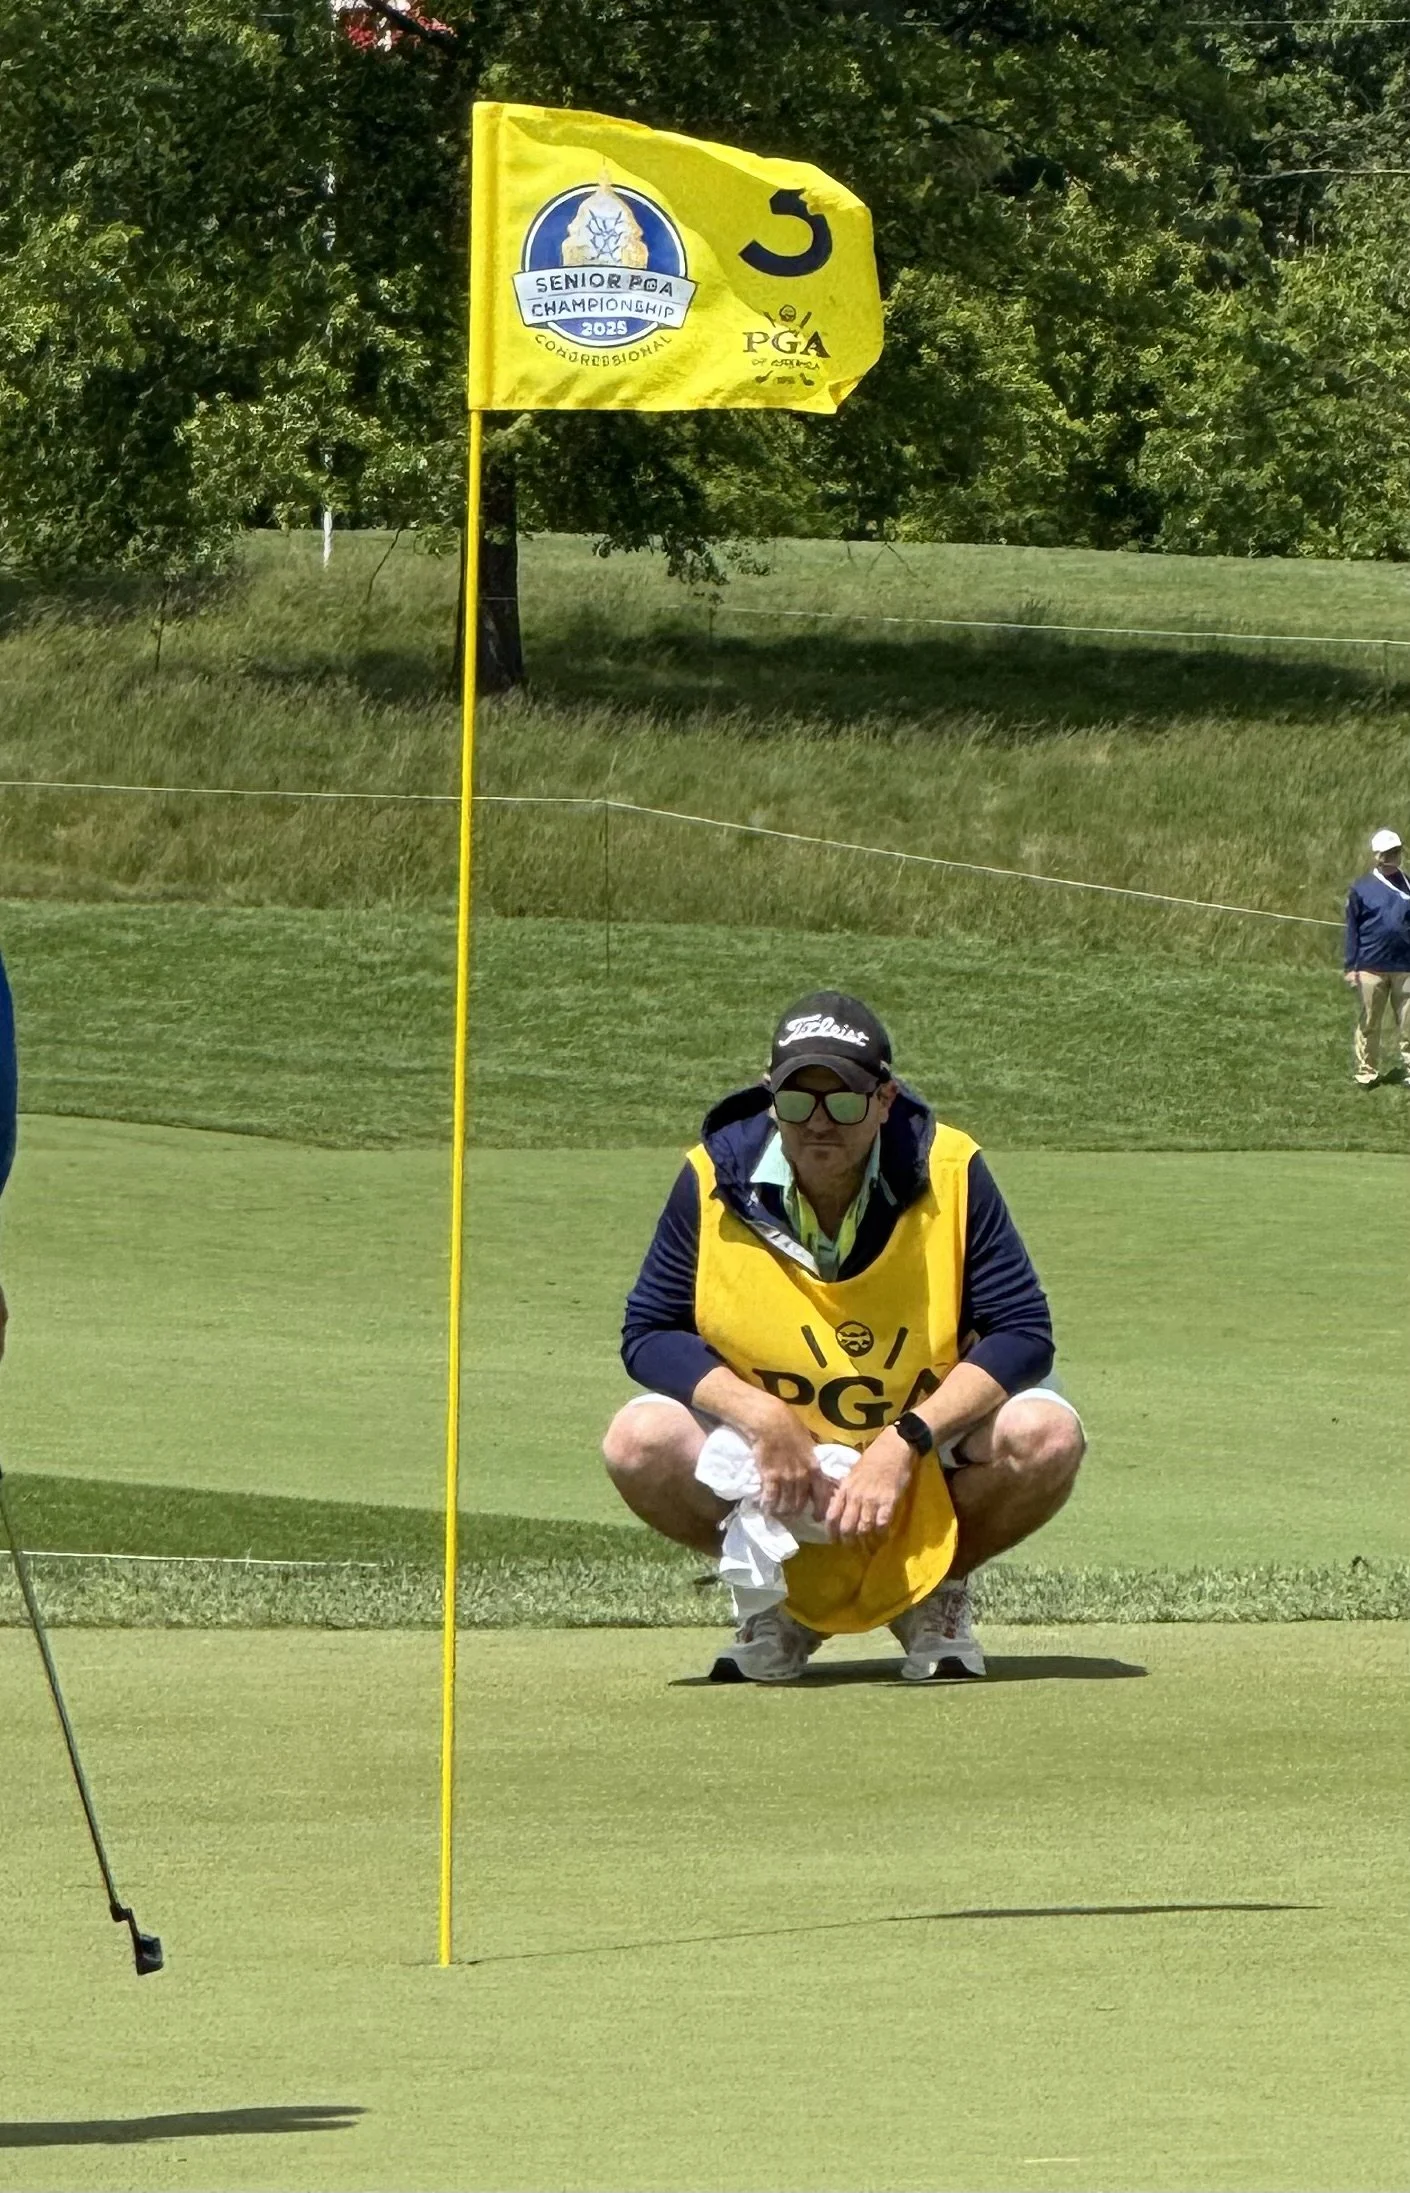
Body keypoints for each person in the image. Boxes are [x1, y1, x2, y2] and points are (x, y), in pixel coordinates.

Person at [602, 990, 1084, 1683]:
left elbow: (1023, 1332)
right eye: (798, 1100)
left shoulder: (950, 1169)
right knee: (635, 1441)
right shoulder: (713, 1176)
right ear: (771, 1097)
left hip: (921, 1432)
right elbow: (650, 1331)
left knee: (1046, 1434)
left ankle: (932, 1590)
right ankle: (780, 1600)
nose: (819, 1122)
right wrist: (763, 1416)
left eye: (845, 1101)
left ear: (885, 1099)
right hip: (779, 1448)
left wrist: (906, 1440)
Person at [1344, 828, 1410, 1088]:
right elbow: (1352, 929)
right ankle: (1367, 1071)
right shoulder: (1361, 889)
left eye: (1397, 852)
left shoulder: (1408, 884)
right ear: (1378, 856)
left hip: (1405, 966)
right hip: (1371, 966)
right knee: (1370, 1021)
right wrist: (1351, 967)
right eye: (1388, 853)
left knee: (1408, 1022)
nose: (1394, 857)